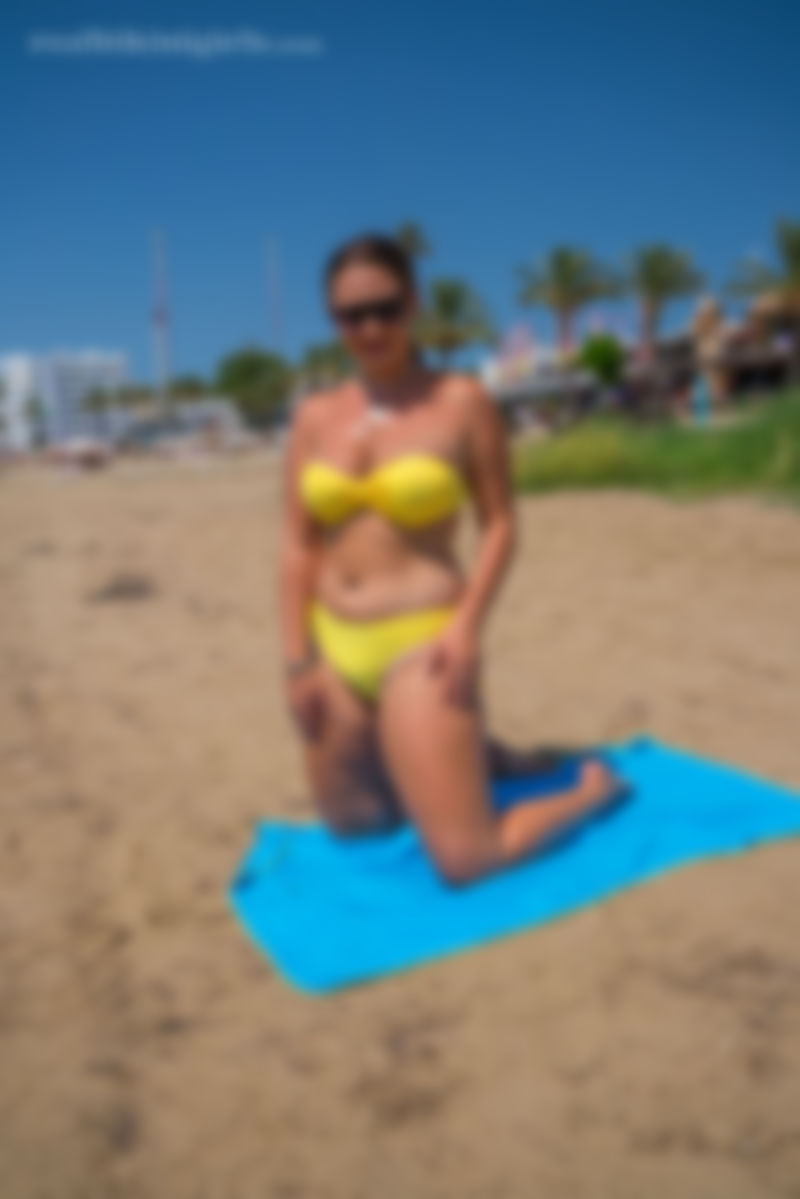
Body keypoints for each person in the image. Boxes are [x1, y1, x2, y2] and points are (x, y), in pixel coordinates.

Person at [279, 233, 623, 885]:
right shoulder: (312, 417)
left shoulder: (461, 401)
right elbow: (297, 545)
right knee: (358, 824)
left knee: (470, 861)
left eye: (386, 307)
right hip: (336, 643)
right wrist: (298, 659)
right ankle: (480, 756)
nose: (372, 327)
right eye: (353, 315)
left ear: (413, 303)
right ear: (334, 322)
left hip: (425, 641)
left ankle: (592, 793)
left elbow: (500, 525)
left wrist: (467, 626)